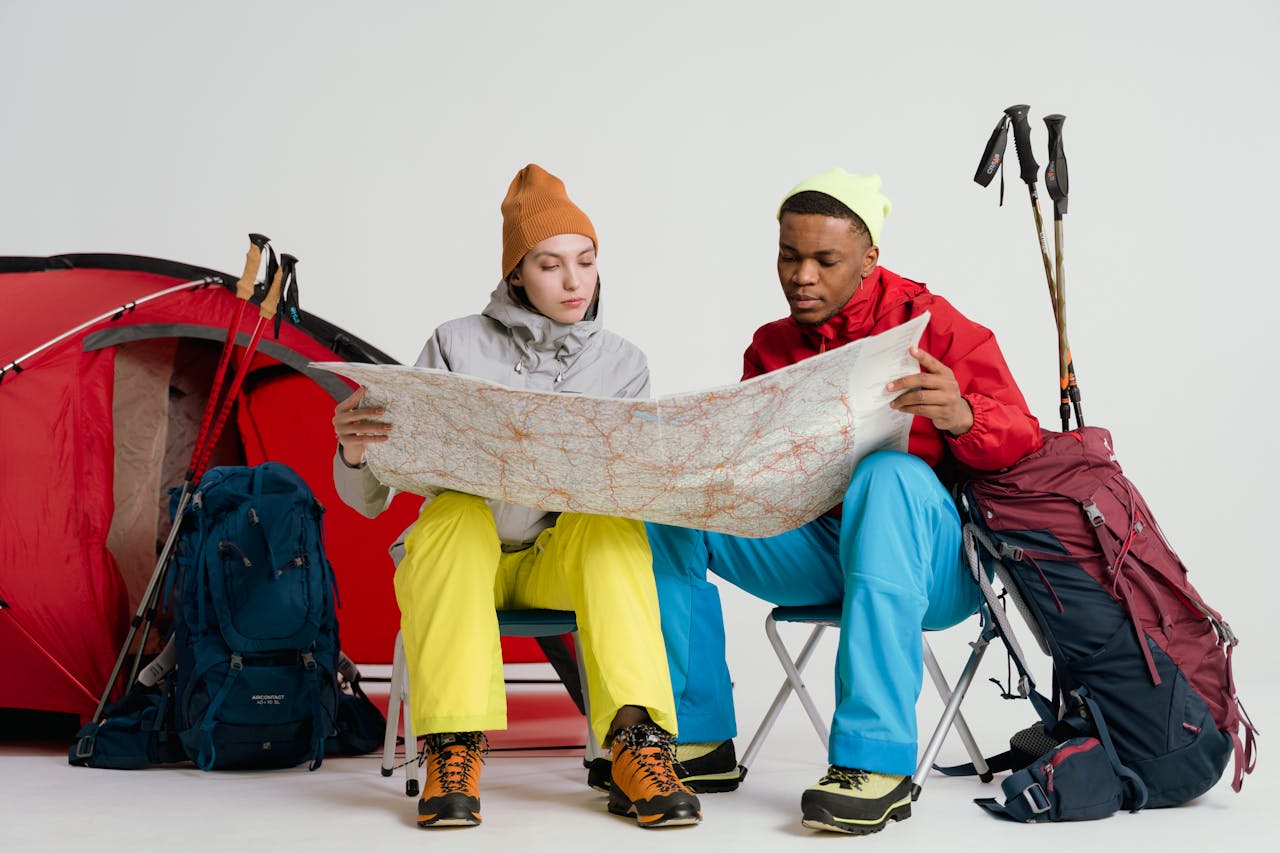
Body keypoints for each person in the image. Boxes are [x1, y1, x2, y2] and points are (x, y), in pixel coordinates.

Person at [644, 168, 1042, 835]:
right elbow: (755, 477)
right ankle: (697, 737)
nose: (803, 275)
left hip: (934, 568)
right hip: (820, 546)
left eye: (825, 260)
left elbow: (1025, 442)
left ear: (868, 260)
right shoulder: (771, 345)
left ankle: (874, 761)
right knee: (672, 506)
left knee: (887, 474)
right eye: (789, 257)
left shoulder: (934, 325)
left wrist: (964, 415)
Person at [331, 164, 701, 830]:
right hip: (461, 559)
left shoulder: (623, 363)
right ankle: (453, 747)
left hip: (554, 562)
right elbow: (367, 500)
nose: (573, 281)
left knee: (613, 523)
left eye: (585, 262)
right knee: (453, 512)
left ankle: (638, 744)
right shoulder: (453, 342)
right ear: (516, 273)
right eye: (551, 264)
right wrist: (356, 452)